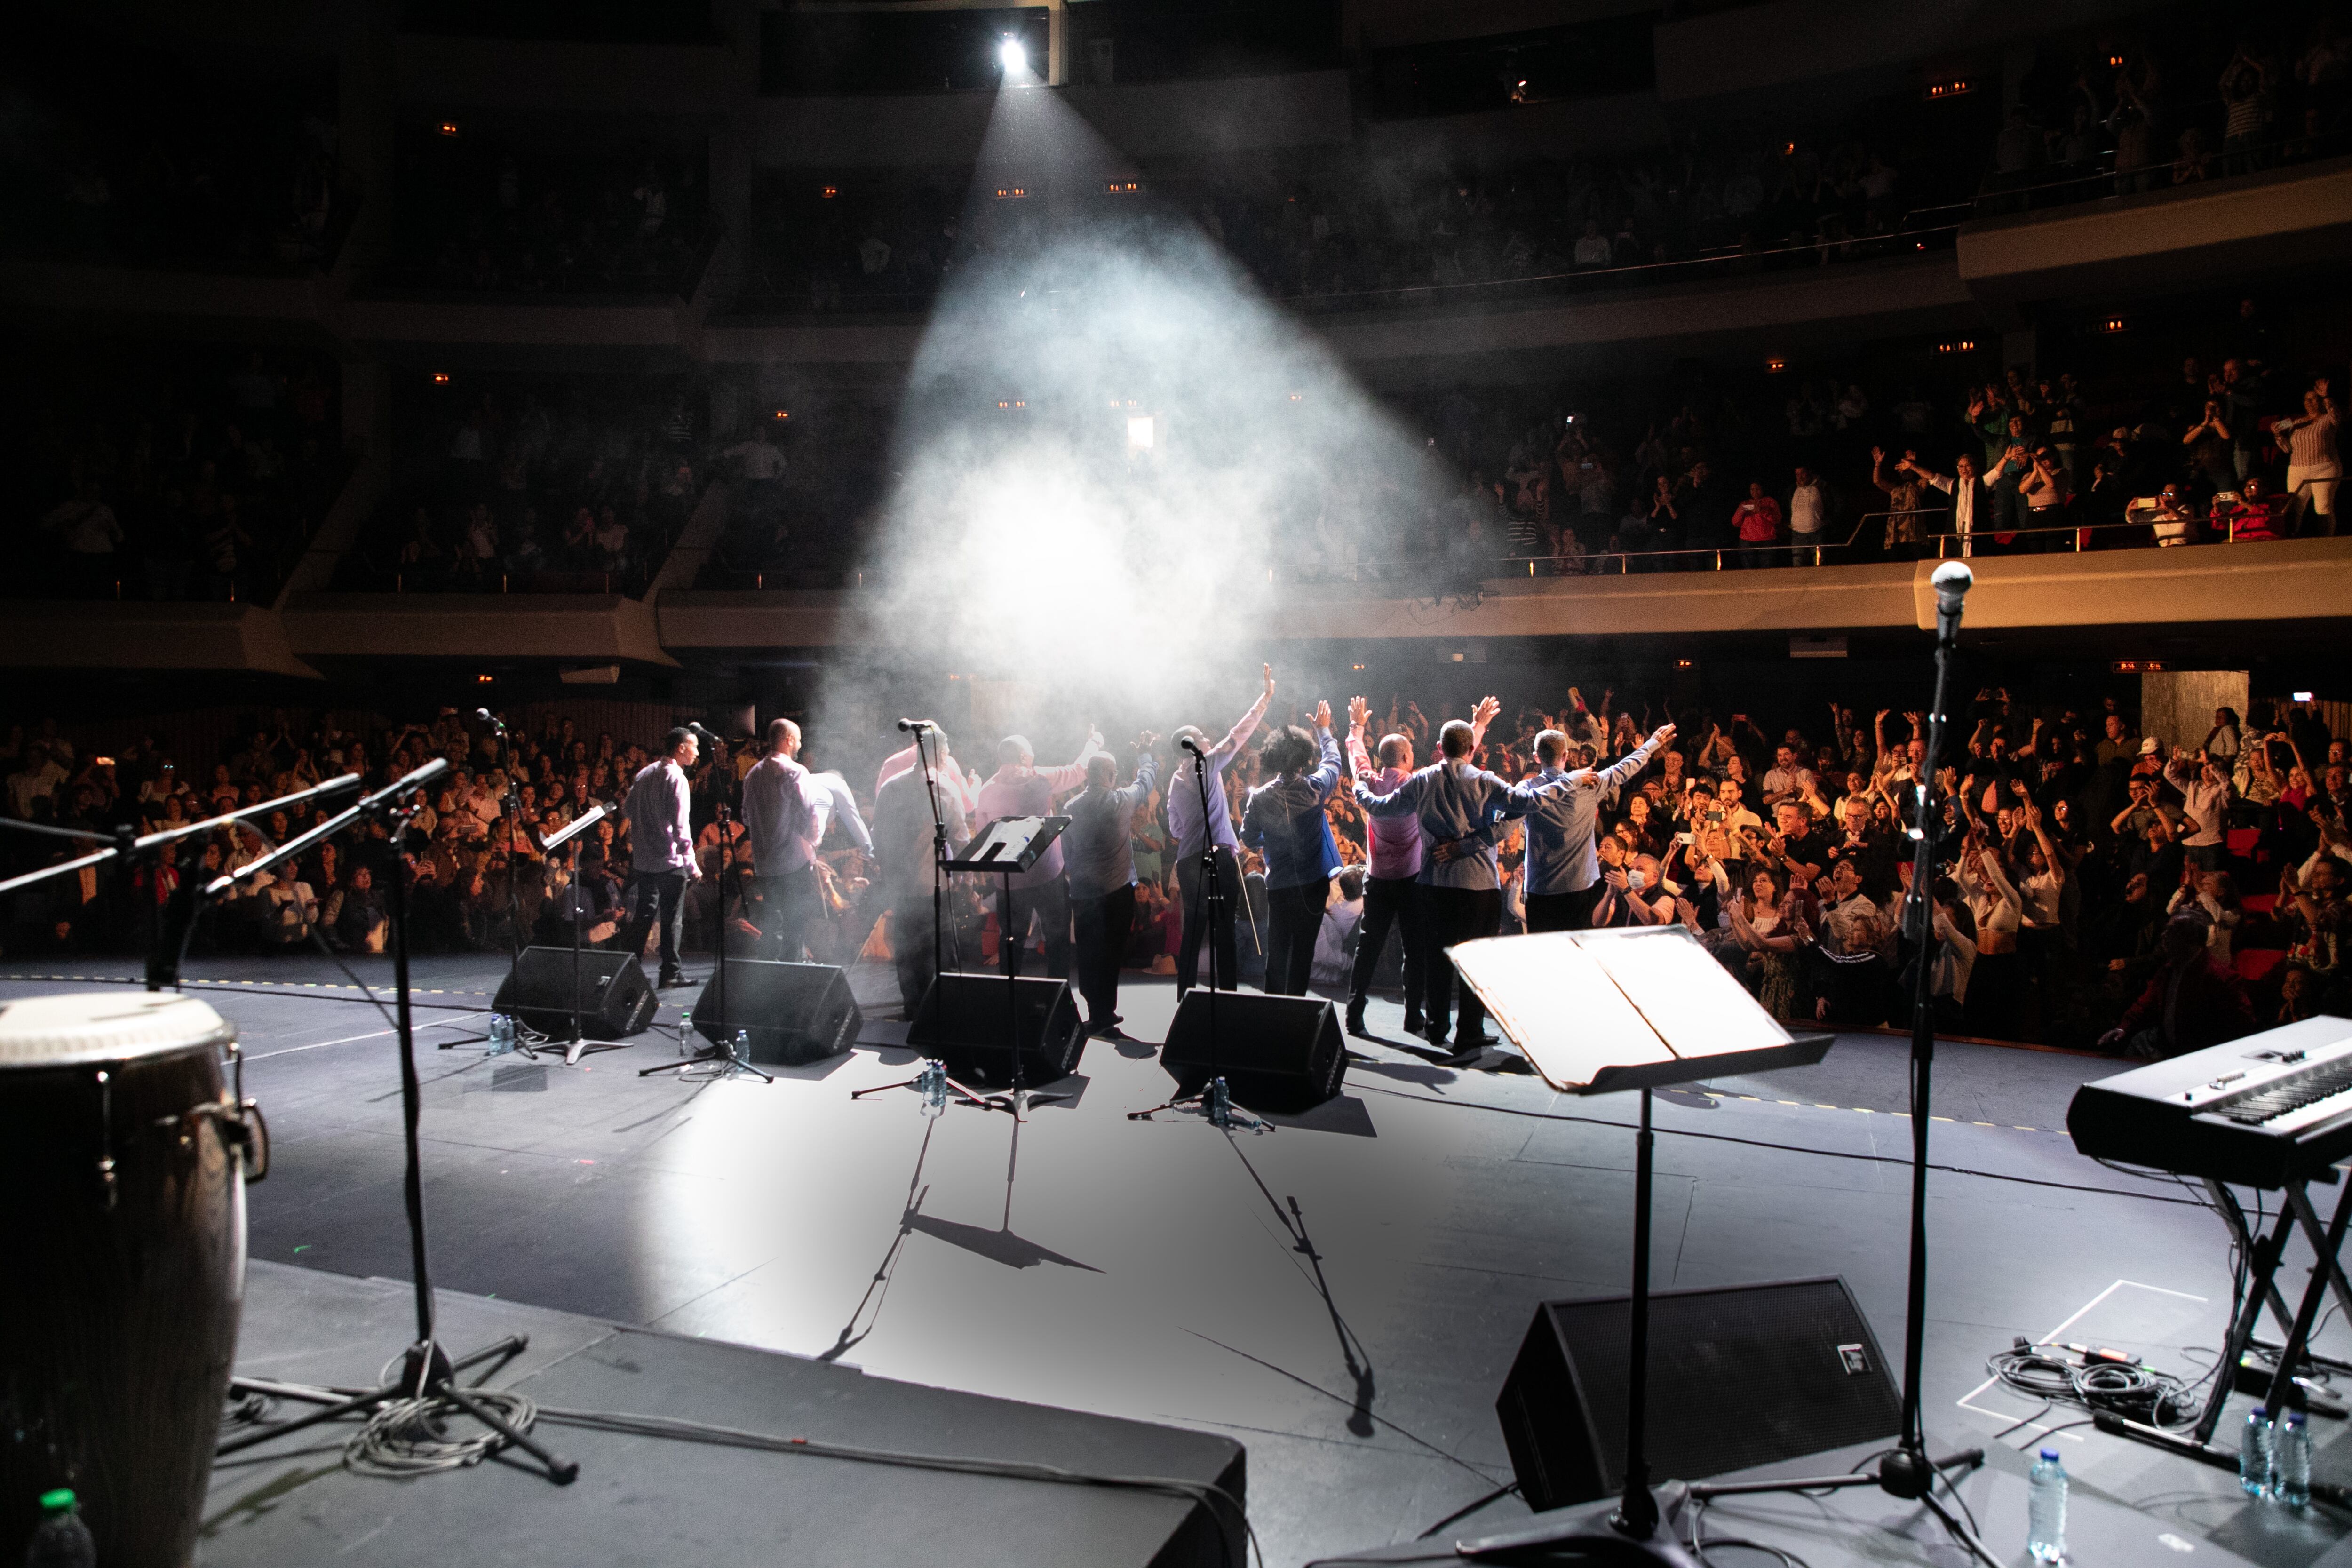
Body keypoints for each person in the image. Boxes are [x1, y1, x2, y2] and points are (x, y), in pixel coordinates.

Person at [1353, 697, 1534, 1059]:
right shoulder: (1484, 779)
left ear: (1439, 748)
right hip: (1478, 883)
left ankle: (1436, 1028)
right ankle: (1469, 1033)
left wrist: (1360, 790)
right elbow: (1523, 806)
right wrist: (1475, 843)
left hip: (1434, 883)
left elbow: (1383, 808)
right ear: (1470, 749)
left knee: (1436, 958)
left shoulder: (1422, 778)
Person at [1168, 666, 1271, 995]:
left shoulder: (1175, 780)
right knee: (1224, 929)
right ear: (1194, 744)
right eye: (1202, 737)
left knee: (1194, 931)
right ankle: (1227, 997)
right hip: (1217, 857)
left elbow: (1175, 827)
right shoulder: (1207, 762)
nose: (1208, 740)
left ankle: (1183, 997)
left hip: (1187, 861)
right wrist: (1265, 698)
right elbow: (1237, 736)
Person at [1341, 694, 1438, 1037]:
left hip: (1378, 879)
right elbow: (1450, 766)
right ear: (1408, 757)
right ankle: (1413, 1017)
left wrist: (1357, 726)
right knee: (1414, 948)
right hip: (1411, 880)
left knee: (1368, 947)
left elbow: (1356, 754)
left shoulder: (1367, 780)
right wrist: (1476, 729)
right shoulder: (1415, 784)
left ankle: (1354, 1015)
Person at [1519, 720, 1676, 931]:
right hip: (1578, 890)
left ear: (1536, 757)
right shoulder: (1588, 783)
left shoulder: (1527, 789)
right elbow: (1623, 769)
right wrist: (1651, 744)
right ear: (1566, 755)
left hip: (1539, 889)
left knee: (1544, 955)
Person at [976, 724, 1103, 979]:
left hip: (1008, 880)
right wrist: (1093, 745)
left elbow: (983, 836)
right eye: (1030, 751)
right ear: (1023, 757)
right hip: (1046, 874)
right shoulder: (1039, 779)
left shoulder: (986, 791)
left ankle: (1009, 996)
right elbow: (1078, 771)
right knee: (1057, 937)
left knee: (1011, 938)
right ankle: (1056, 992)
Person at [1241, 702, 1343, 998]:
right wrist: (1323, 730)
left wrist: (1270, 838)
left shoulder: (1259, 798)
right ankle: (1296, 1006)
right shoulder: (1314, 788)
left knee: (1278, 949)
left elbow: (1248, 836)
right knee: (1303, 951)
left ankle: (1273, 1005)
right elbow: (1334, 762)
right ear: (1303, 759)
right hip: (1313, 884)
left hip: (1280, 885)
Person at [1061, 736, 1159, 1038]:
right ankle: (1105, 1011)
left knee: (1090, 953)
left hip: (1083, 892)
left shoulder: (1070, 806)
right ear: (1111, 775)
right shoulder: (1122, 800)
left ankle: (1097, 1013)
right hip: (1116, 892)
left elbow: (1067, 853)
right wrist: (1145, 755)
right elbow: (1146, 782)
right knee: (1113, 952)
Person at [872, 732, 969, 1013]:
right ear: (940, 756)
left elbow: (878, 835)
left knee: (907, 952)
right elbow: (961, 838)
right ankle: (941, 1010)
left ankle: (913, 1009)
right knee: (939, 949)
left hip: (901, 887)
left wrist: (887, 869)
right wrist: (967, 878)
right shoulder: (945, 787)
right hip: (935, 884)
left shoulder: (890, 786)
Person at [2098, 915, 2257, 1059]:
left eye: (2172, 931)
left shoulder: (2220, 978)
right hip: (2170, 1049)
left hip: (2201, 1057)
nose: (2164, 936)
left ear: (2192, 938)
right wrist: (2123, 1028)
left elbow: (2242, 1025)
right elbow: (2145, 1005)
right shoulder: (2168, 971)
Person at [618, 726, 700, 987]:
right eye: (694, 747)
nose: (697, 753)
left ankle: (628, 972)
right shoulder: (676, 777)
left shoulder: (645, 773)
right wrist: (691, 863)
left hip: (645, 861)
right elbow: (680, 826)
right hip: (669, 860)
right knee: (671, 920)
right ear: (681, 748)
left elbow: (627, 808)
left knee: (644, 916)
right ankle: (670, 974)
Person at [739, 718, 821, 962]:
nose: (801, 744)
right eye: (799, 739)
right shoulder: (795, 771)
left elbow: (745, 817)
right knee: (795, 923)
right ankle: (791, 974)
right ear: (789, 740)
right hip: (793, 862)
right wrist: (814, 842)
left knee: (771, 921)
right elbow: (809, 814)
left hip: (764, 864)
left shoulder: (753, 774)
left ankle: (768, 977)